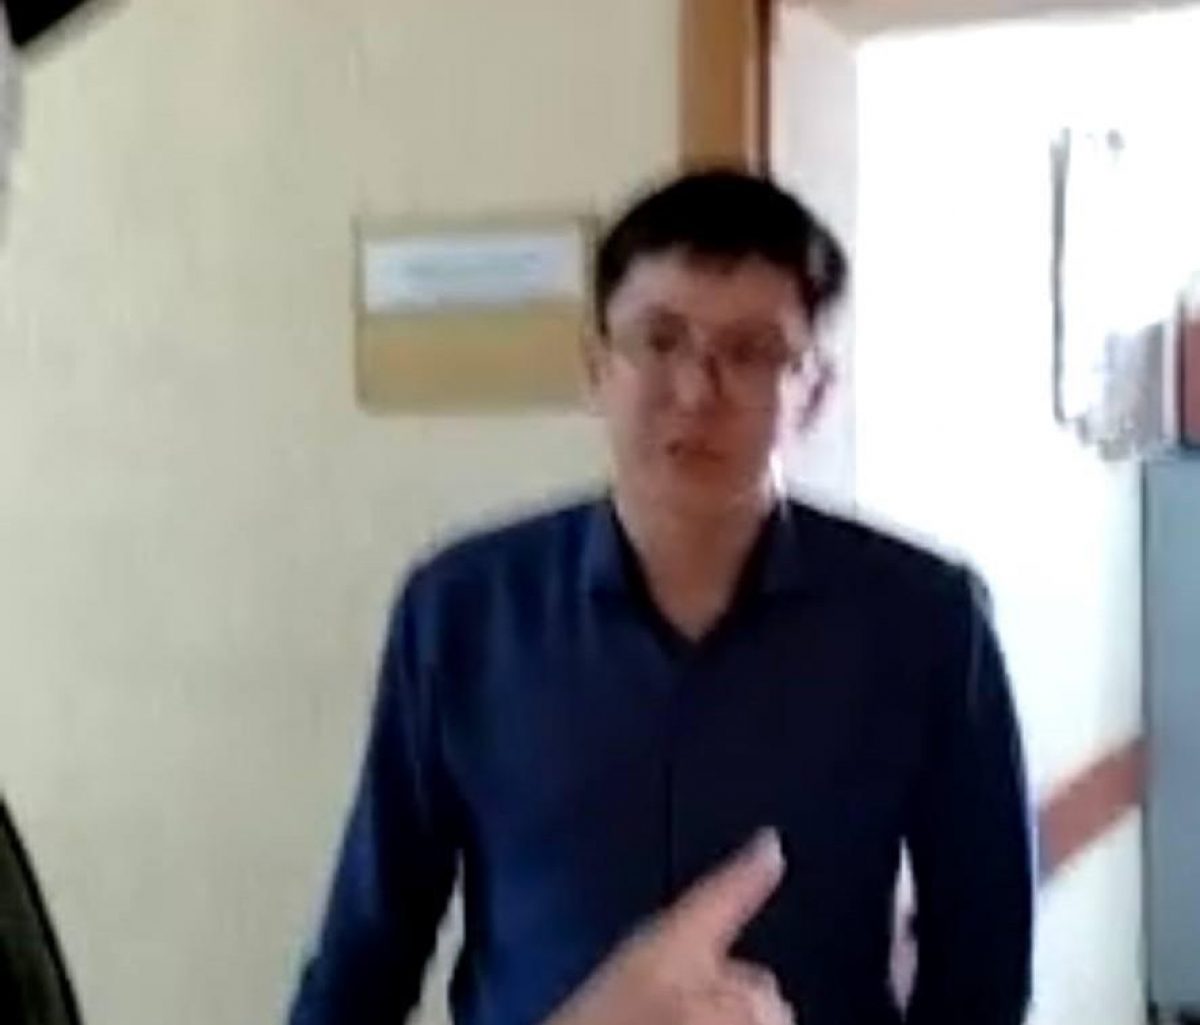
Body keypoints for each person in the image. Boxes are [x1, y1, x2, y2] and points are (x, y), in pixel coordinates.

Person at [289, 170, 1034, 1025]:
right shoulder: (462, 610)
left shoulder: (926, 620)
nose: (695, 391)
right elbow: (368, 948)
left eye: (751, 352)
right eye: (660, 339)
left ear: (815, 392)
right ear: (596, 367)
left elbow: (982, 960)